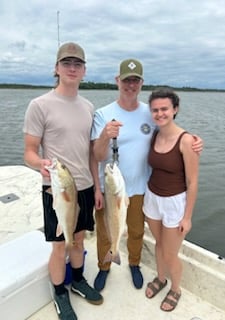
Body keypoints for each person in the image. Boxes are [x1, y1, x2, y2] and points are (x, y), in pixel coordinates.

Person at [90, 58, 203, 292]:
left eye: (135, 81)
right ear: (117, 81)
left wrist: (194, 141)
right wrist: (104, 136)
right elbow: (97, 156)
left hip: (142, 188)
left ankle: (133, 263)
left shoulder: (150, 113)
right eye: (126, 80)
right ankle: (104, 266)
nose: (130, 85)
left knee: (137, 231)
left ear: (141, 83)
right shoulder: (103, 114)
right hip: (111, 189)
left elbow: (170, 134)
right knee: (105, 230)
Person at [23, 42, 103, 320]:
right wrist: (40, 163)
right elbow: (29, 152)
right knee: (60, 246)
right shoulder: (39, 105)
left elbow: (92, 153)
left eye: (77, 64)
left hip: (85, 188)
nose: (72, 68)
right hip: (56, 189)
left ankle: (78, 281)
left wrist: (97, 187)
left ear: (84, 71)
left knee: (79, 241)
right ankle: (59, 293)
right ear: (56, 69)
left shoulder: (89, 106)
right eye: (66, 63)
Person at [143, 88, 199, 312]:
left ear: (175, 109)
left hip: (175, 203)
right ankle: (161, 277)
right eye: (155, 110)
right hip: (152, 198)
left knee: (170, 252)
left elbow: (193, 182)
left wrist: (188, 216)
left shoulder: (187, 141)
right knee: (158, 244)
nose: (160, 114)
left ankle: (176, 289)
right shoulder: (154, 134)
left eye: (164, 108)